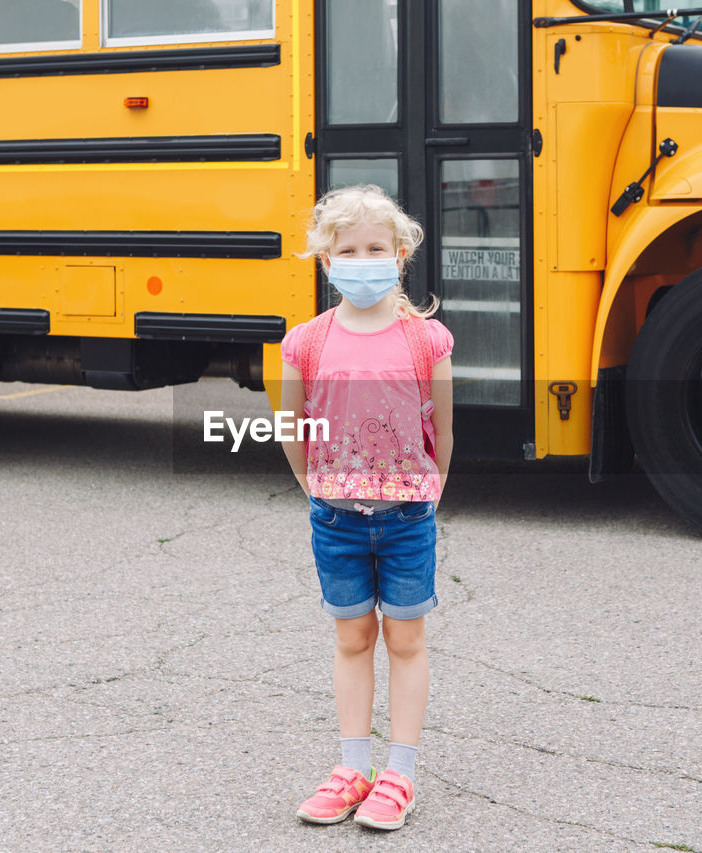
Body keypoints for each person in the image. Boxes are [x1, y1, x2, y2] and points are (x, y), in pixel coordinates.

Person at [279, 185, 454, 831]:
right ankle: (353, 766)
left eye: (375, 247)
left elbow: (445, 432)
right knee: (352, 637)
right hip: (336, 518)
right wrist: (315, 492)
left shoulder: (426, 339)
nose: (362, 258)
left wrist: (429, 495)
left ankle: (399, 771)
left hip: (407, 519)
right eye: (347, 249)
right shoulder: (305, 341)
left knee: (405, 639)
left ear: (400, 253)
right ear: (326, 261)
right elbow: (294, 426)